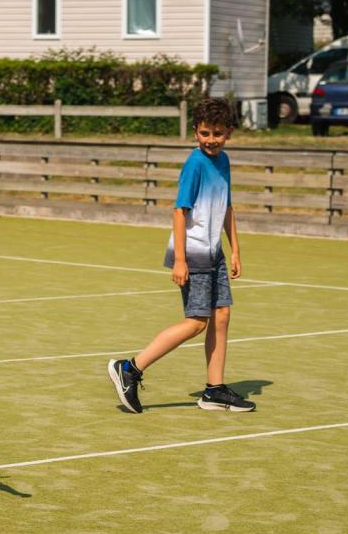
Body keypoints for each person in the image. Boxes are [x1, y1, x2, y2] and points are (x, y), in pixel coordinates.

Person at [107, 98, 255, 414]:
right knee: (196, 322)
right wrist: (180, 259)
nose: (211, 140)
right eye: (204, 133)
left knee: (222, 316)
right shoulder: (195, 164)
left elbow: (226, 207)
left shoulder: (223, 161)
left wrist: (235, 250)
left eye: (217, 133)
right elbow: (179, 210)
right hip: (193, 253)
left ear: (228, 132)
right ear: (195, 132)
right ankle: (130, 368)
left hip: (214, 253)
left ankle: (214, 390)